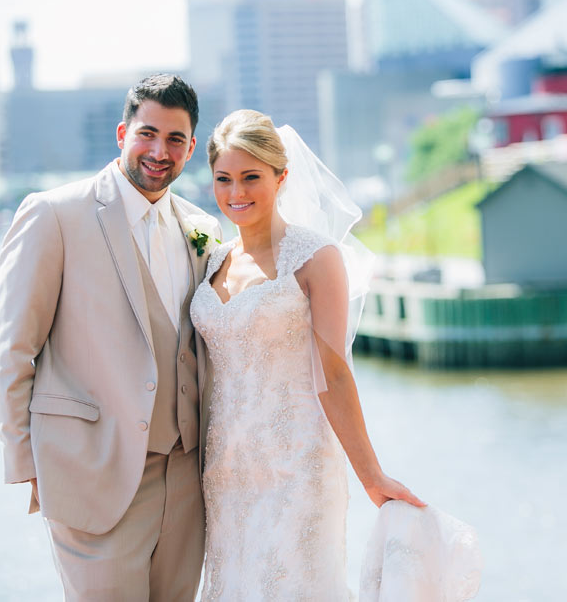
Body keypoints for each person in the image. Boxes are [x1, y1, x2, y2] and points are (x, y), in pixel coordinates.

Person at [190, 110, 481, 600]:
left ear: (281, 177)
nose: (236, 192)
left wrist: (371, 474)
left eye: (251, 177)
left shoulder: (316, 258)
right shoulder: (213, 259)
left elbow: (335, 373)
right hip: (225, 469)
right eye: (224, 179)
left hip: (296, 464)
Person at [0, 74, 222, 600]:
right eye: (148, 133)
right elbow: (11, 349)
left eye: (176, 139)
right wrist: (27, 465)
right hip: (91, 474)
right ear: (122, 133)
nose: (160, 151)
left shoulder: (202, 228)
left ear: (190, 149)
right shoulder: (55, 215)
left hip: (186, 481)